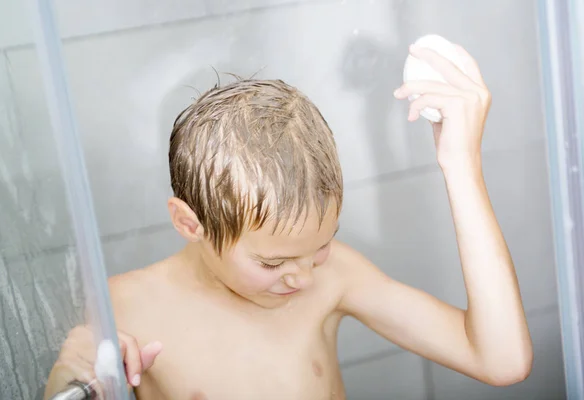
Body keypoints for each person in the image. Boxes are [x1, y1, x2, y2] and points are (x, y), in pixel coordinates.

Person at [44, 44, 533, 400]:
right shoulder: (123, 308)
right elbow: (77, 373)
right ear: (190, 223)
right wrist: (72, 380)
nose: (302, 275)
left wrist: (461, 165)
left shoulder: (335, 275)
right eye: (272, 261)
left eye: (320, 246)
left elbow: (501, 360)